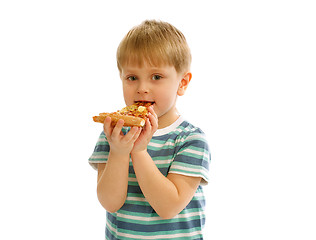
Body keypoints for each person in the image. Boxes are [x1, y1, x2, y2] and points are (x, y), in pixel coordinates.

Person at [89, 20, 211, 240]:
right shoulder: (114, 134)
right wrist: (118, 152)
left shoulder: (190, 139)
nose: (142, 88)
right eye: (132, 77)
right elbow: (109, 202)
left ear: (182, 83)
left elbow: (168, 207)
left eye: (156, 77)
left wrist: (139, 151)